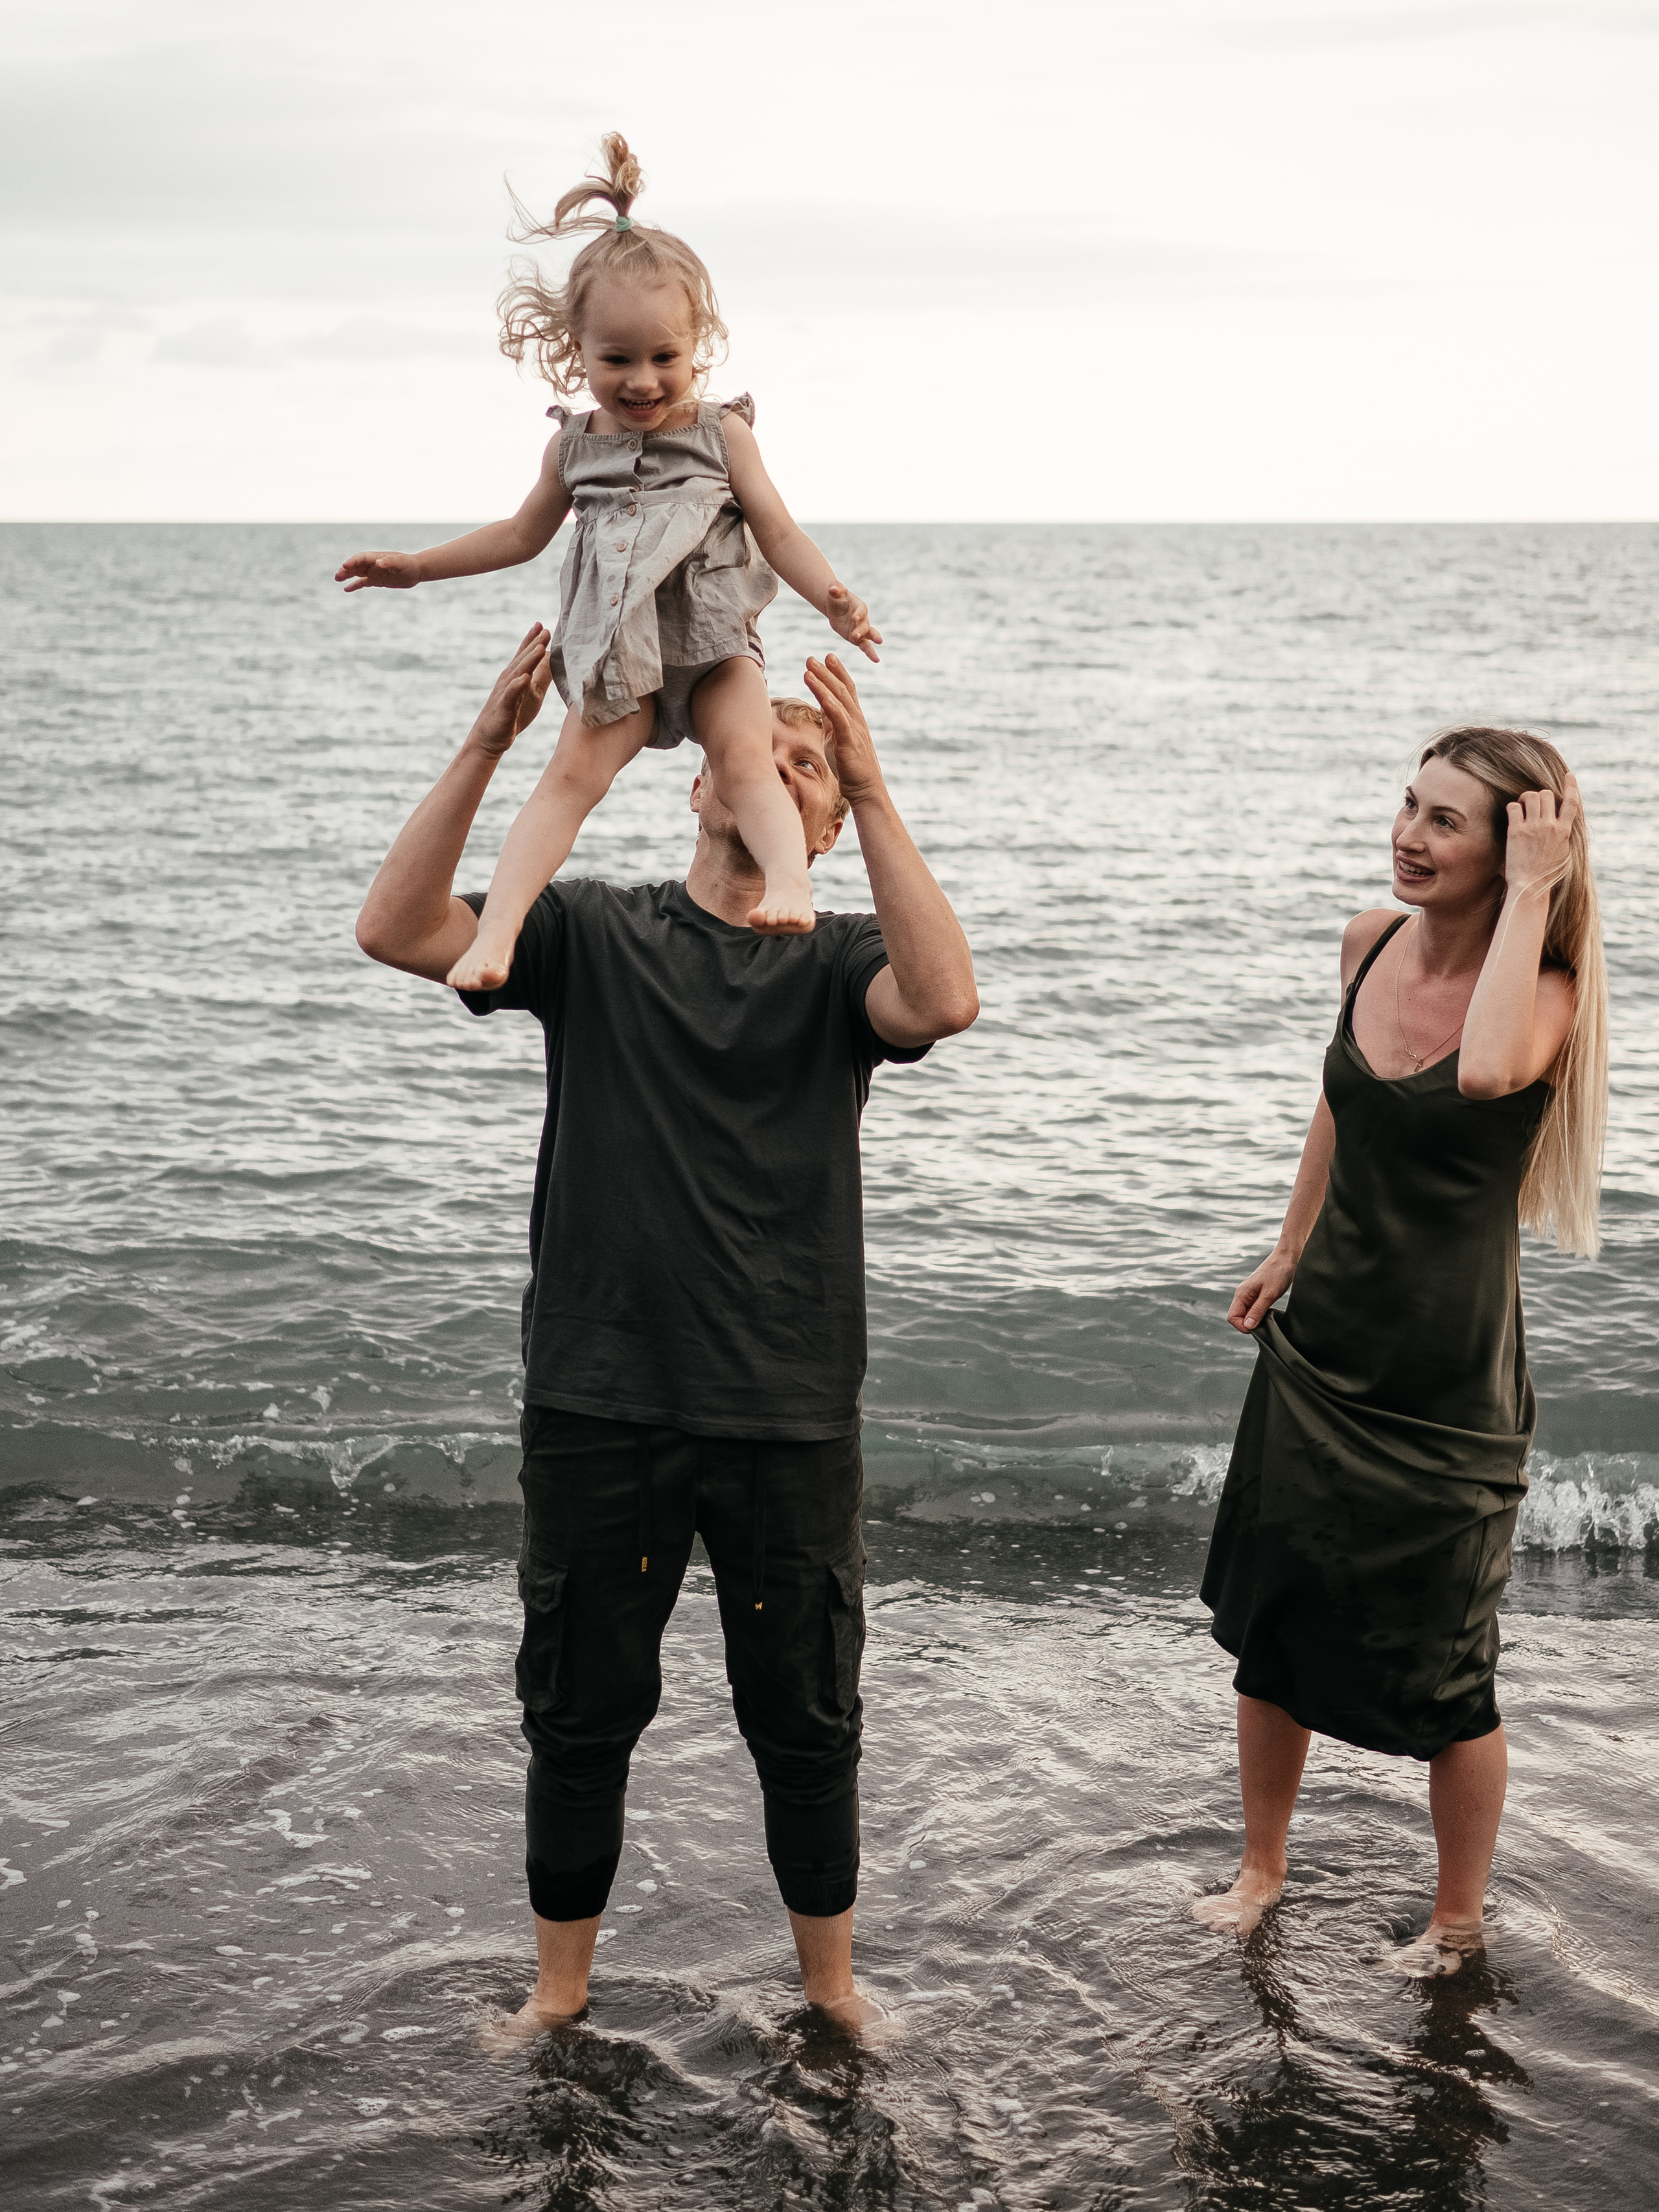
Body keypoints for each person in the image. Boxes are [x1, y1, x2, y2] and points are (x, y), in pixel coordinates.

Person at [354, 628, 977, 2031]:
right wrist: (486, 744)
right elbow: (396, 933)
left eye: (809, 771)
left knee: (804, 1720)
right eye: (770, 750)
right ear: (705, 782)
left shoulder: (838, 961)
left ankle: (832, 1997)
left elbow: (942, 1001)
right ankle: (555, 2000)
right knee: (579, 1714)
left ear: (813, 824)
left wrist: (875, 795)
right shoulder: (589, 934)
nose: (786, 768)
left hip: (788, 1406)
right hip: (599, 1396)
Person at [1195, 727, 1608, 1976]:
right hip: (1320, 1345)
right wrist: (1286, 1244)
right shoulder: (1365, 940)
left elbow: (1482, 1075)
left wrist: (1537, 892)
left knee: (1447, 1675)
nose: (1409, 835)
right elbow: (1338, 1098)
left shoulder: (1542, 992)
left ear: (1513, 849)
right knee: (1274, 1622)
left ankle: (1457, 1915)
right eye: (1408, 805)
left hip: (1443, 1383)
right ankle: (1263, 1867)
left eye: (1446, 822)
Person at [337, 132, 881, 975]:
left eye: (666, 358)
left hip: (712, 642)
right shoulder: (572, 451)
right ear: (574, 350)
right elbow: (519, 536)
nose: (642, 381)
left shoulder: (720, 432)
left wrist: (832, 595)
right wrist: (417, 567)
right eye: (616, 359)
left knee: (743, 760)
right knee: (565, 784)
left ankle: (789, 884)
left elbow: (777, 527)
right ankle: (498, 932)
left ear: (699, 346)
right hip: (615, 653)